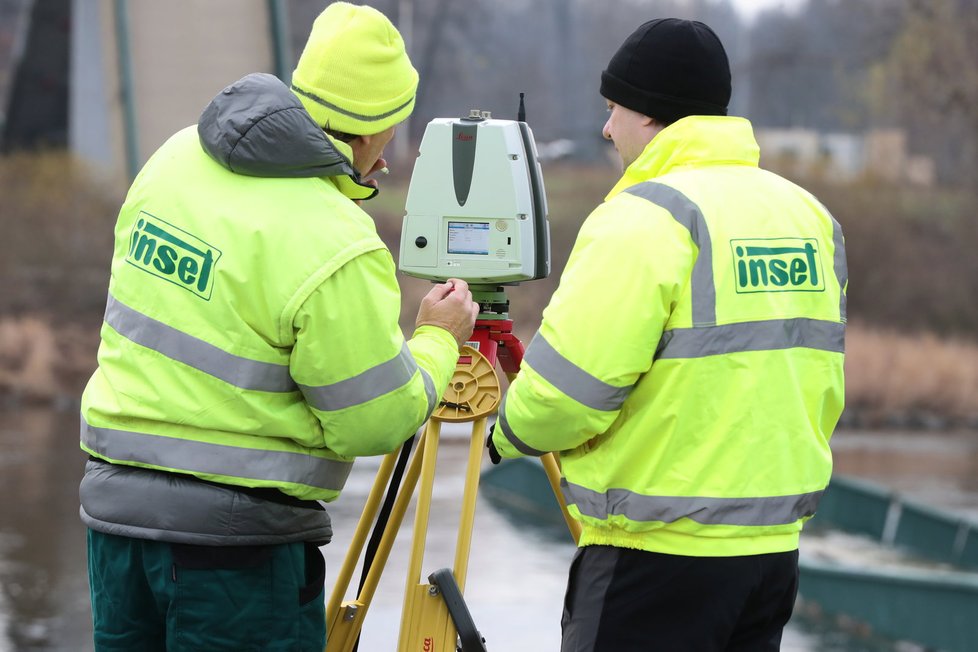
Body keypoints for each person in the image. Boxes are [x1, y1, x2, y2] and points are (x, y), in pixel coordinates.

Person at [78, 3, 478, 650]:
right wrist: (437, 339)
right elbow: (375, 419)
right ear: (374, 134)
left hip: (114, 520)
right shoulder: (337, 241)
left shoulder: (177, 157)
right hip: (233, 552)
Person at [487, 18, 847, 652]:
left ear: (650, 116)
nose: (605, 127)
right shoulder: (810, 217)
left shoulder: (644, 218)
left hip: (656, 557)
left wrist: (504, 432)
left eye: (612, 108)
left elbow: (567, 394)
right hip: (770, 560)